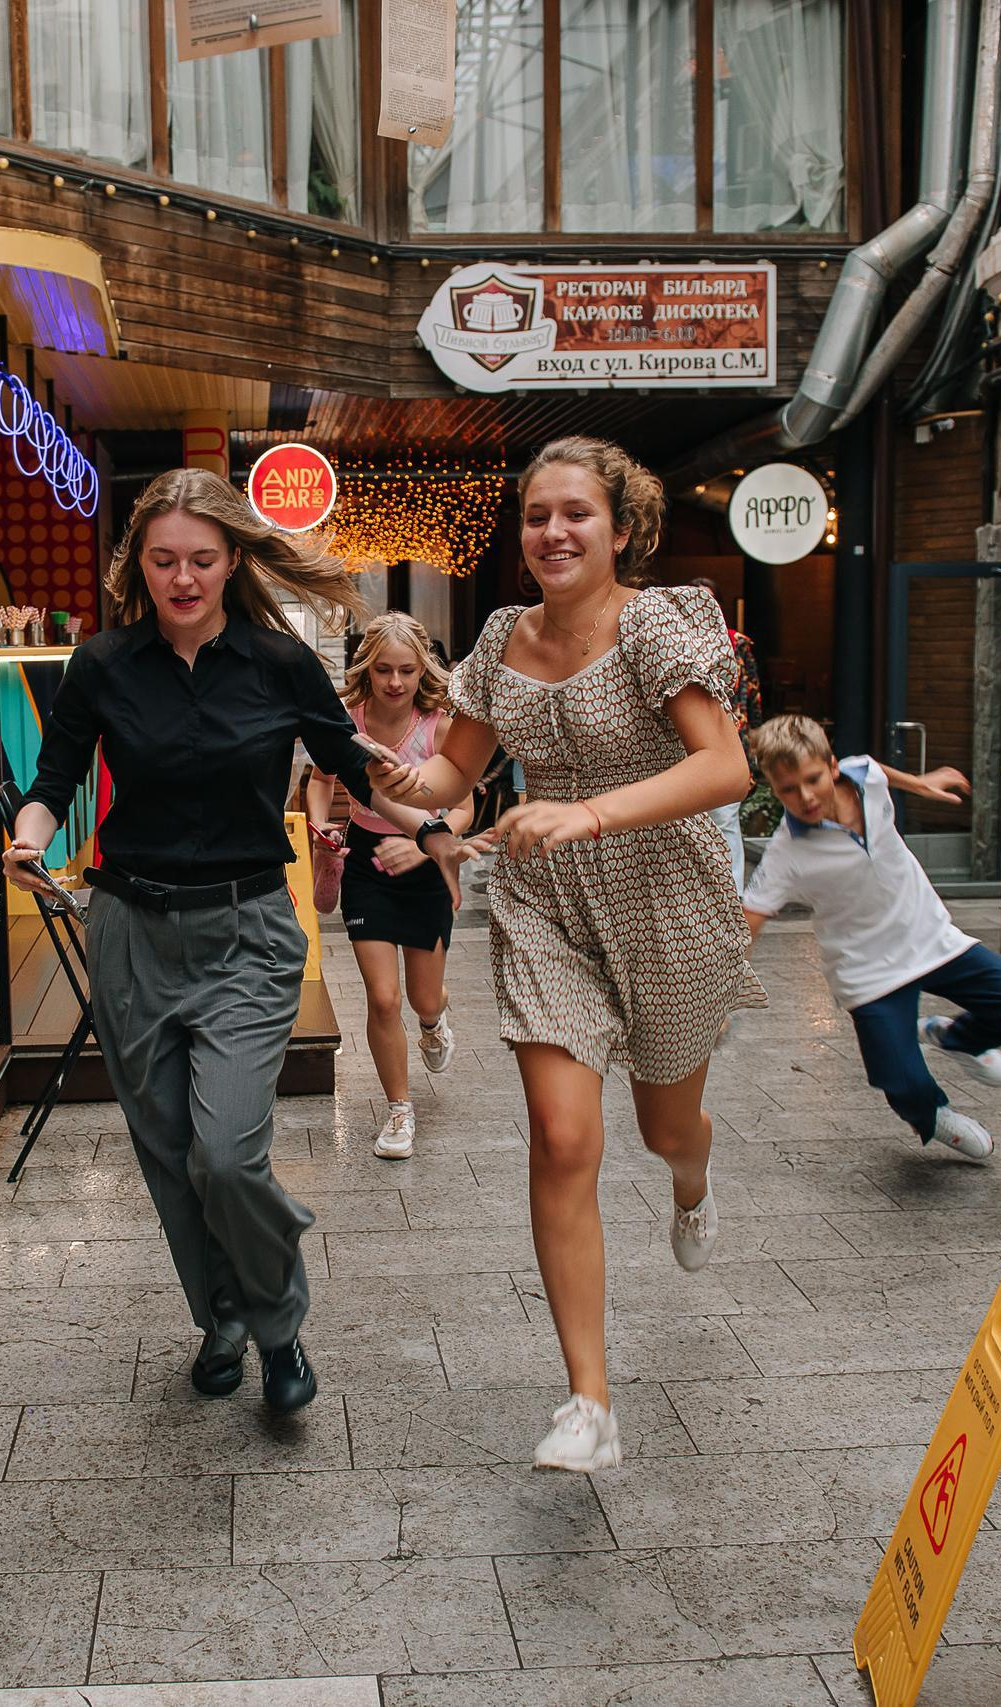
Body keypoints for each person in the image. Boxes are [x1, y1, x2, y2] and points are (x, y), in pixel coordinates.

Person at [3, 469, 453, 1415]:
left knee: (229, 1153)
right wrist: (28, 840)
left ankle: (279, 1325)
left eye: (202, 559)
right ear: (140, 565)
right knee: (169, 1151)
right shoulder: (102, 664)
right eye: (163, 560)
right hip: (128, 929)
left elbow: (355, 769)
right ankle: (222, 1319)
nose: (182, 578)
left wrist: (440, 823)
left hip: (248, 930)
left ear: (234, 561)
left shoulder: (280, 664)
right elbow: (54, 779)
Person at [372, 437, 761, 1474]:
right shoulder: (501, 634)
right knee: (560, 1134)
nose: (552, 531)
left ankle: (693, 1177)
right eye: (537, 515)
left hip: (665, 896)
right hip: (545, 905)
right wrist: (389, 779)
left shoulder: (653, 626)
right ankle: (588, 1401)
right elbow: (455, 771)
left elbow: (726, 768)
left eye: (575, 514)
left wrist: (586, 813)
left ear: (619, 528)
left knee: (663, 1125)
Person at [741, 713, 1001, 1162]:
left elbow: (875, 766)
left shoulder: (862, 776)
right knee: (900, 1080)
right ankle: (934, 1118)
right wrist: (721, 993)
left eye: (813, 779)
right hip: (868, 972)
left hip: (929, 936)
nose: (806, 796)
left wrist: (921, 782)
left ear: (832, 766)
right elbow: (751, 916)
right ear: (773, 790)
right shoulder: (785, 852)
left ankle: (956, 1038)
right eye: (788, 789)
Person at [304, 613, 476, 1160]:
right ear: (368, 669)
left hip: (424, 871)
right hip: (365, 866)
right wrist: (321, 823)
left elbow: (467, 803)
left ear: (421, 670)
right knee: (382, 997)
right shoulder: (347, 721)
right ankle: (400, 1110)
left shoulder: (439, 726)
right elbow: (319, 779)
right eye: (383, 670)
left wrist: (432, 838)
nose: (395, 682)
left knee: (423, 996)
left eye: (405, 670)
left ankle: (433, 1020)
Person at [686, 576, 763, 896]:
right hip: (687, 746)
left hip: (728, 738)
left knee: (726, 819)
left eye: (709, 601)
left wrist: (753, 741)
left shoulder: (737, 644)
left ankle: (733, 893)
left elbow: (751, 692)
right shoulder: (675, 643)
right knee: (689, 821)